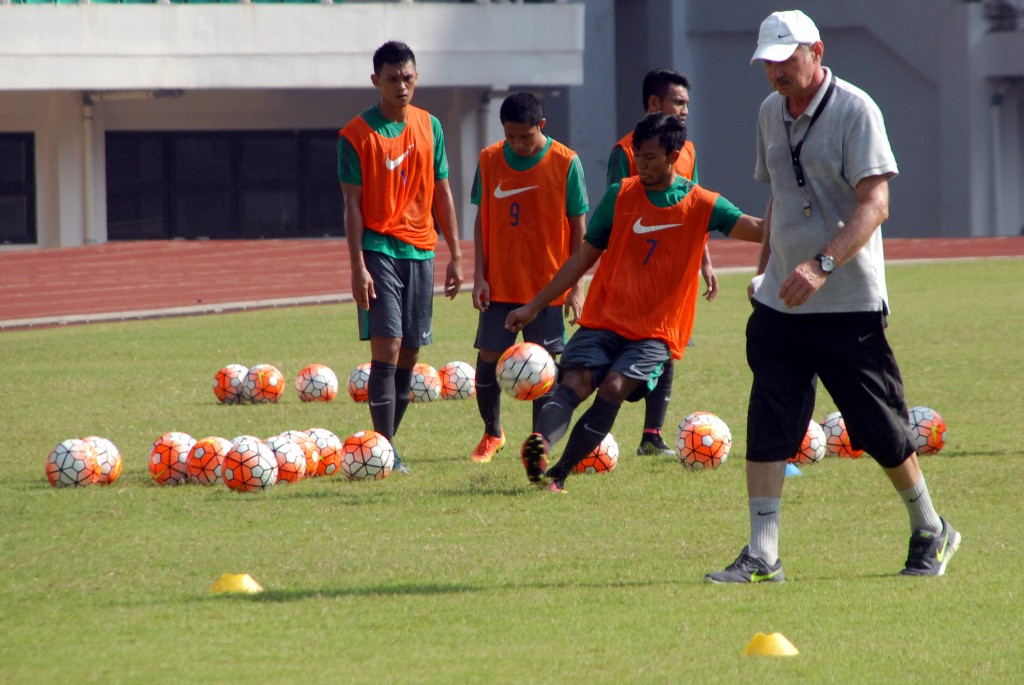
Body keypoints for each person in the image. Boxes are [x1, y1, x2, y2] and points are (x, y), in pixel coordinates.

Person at [705, 10, 960, 583]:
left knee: (879, 427)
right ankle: (762, 554)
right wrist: (764, 271)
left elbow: (876, 204)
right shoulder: (770, 112)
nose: (776, 73)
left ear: (816, 51)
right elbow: (776, 194)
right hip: (781, 305)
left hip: (848, 300)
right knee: (769, 421)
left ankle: (931, 528)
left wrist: (820, 266)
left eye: (786, 60)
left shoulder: (856, 109)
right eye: (768, 63)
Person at [506, 112, 763, 493]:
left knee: (612, 387)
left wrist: (798, 215)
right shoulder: (620, 195)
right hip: (604, 319)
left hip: (655, 333)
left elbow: (757, 230)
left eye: (651, 157)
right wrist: (533, 305)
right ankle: (539, 449)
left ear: (674, 156)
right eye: (638, 156)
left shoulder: (701, 203)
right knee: (574, 381)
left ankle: (558, 474)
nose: (641, 165)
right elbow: (582, 258)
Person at [338, 40, 463, 474]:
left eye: (408, 77)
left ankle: (387, 445)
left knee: (411, 351)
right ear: (376, 81)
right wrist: (356, 266)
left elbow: (443, 192)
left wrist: (456, 255)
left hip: (422, 249)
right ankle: (383, 450)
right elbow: (351, 206)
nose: (402, 86)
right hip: (378, 249)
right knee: (388, 346)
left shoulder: (431, 126)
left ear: (417, 77)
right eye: (392, 79)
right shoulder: (356, 135)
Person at [469, 92, 589, 463]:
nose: (519, 144)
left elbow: (579, 227)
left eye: (526, 136)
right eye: (511, 137)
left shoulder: (566, 162)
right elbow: (481, 218)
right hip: (501, 284)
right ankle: (492, 434)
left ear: (542, 126)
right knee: (488, 359)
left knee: (545, 368)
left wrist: (576, 287)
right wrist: (479, 274)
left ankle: (537, 444)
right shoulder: (489, 159)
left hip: (547, 288)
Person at [607, 68, 719, 458]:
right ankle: (597, 425)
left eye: (687, 103)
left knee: (669, 343)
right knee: (630, 350)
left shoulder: (685, 150)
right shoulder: (624, 152)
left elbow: (696, 207)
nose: (686, 109)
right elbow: (615, 215)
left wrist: (705, 262)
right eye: (678, 102)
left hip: (676, 273)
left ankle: (651, 436)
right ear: (654, 104)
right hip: (637, 273)